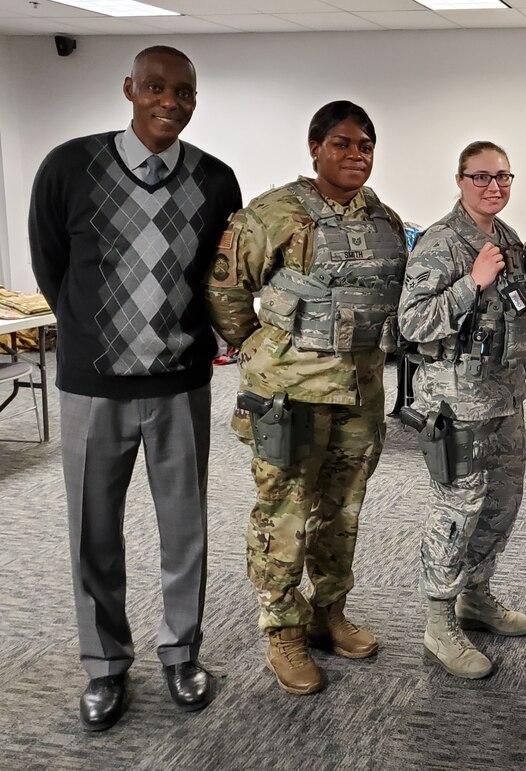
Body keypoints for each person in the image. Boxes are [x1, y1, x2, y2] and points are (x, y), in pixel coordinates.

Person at [28, 46, 241, 730]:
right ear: (129, 88)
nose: (169, 101)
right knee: (94, 534)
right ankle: (105, 666)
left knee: (186, 532)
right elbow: (51, 265)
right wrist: (95, 340)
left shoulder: (216, 180)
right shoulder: (69, 166)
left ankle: (182, 652)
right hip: (93, 388)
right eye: (155, 87)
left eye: (183, 91)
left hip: (180, 385)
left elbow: (218, 278)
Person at [205, 101, 407, 695]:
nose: (356, 155)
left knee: (342, 510)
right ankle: (283, 631)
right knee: (285, 511)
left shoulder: (386, 220)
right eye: (342, 143)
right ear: (315, 147)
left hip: (360, 391)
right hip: (288, 395)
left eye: (366, 144)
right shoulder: (273, 214)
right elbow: (226, 288)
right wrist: (261, 351)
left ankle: (329, 613)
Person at [398, 141, 526, 679]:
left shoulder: (506, 237)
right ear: (459, 180)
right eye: (481, 177)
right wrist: (471, 284)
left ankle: (475, 597)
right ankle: (439, 622)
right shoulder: (440, 243)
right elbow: (411, 325)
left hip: (505, 396)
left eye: (504, 176)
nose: (494, 186)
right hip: (456, 404)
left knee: (502, 502)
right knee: (457, 511)